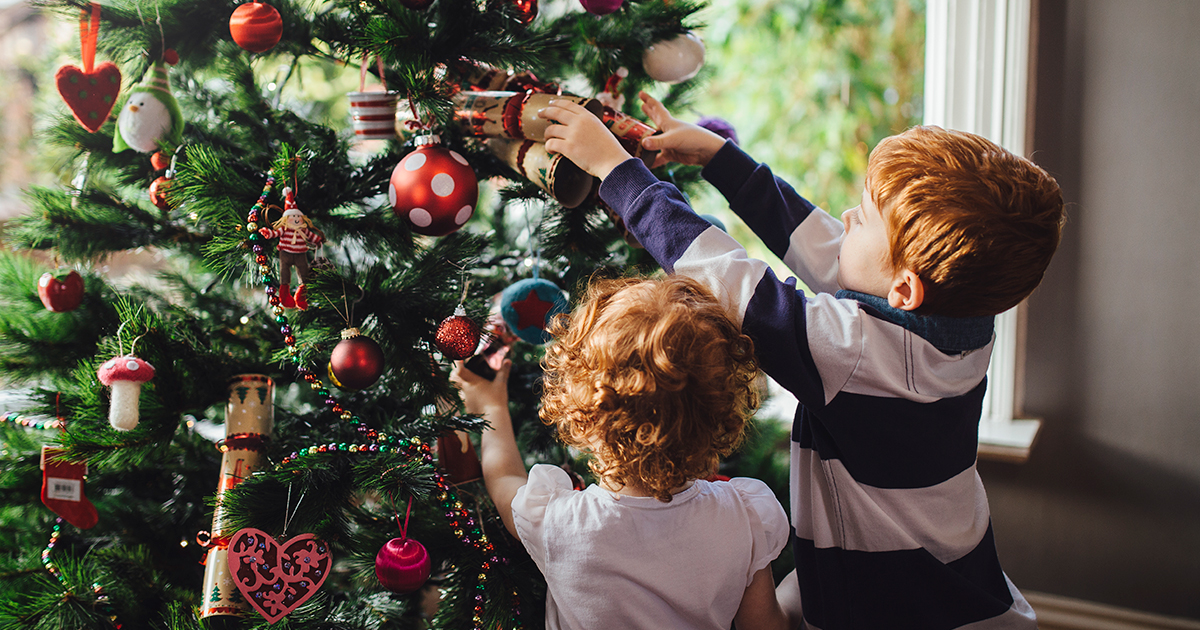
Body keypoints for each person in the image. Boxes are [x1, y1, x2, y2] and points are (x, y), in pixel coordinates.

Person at [535, 93, 1065, 630]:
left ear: (904, 289)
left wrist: (616, 171)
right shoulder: (960, 319)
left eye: (864, 218)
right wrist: (719, 158)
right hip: (956, 569)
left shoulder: (855, 354)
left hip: (886, 596)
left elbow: (727, 277)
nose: (846, 217)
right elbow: (819, 243)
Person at [452, 275, 790, 630]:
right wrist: (799, 593)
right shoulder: (744, 517)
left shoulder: (561, 522)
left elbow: (504, 478)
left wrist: (491, 408)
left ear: (583, 417)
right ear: (720, 414)